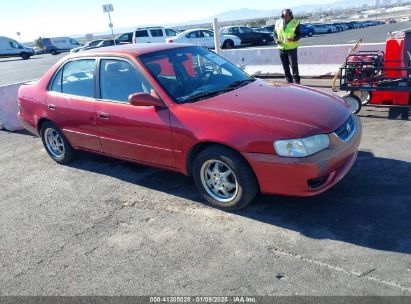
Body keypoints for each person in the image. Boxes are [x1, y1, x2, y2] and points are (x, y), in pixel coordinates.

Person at [274, 9, 302, 84]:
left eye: (286, 16)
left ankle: (297, 83)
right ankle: (289, 82)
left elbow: (299, 35)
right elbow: (275, 34)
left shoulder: (295, 22)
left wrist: (293, 39)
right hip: (281, 48)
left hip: (291, 48)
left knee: (294, 67)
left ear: (290, 15)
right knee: (285, 67)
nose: (284, 18)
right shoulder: (278, 22)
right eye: (283, 16)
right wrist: (276, 40)